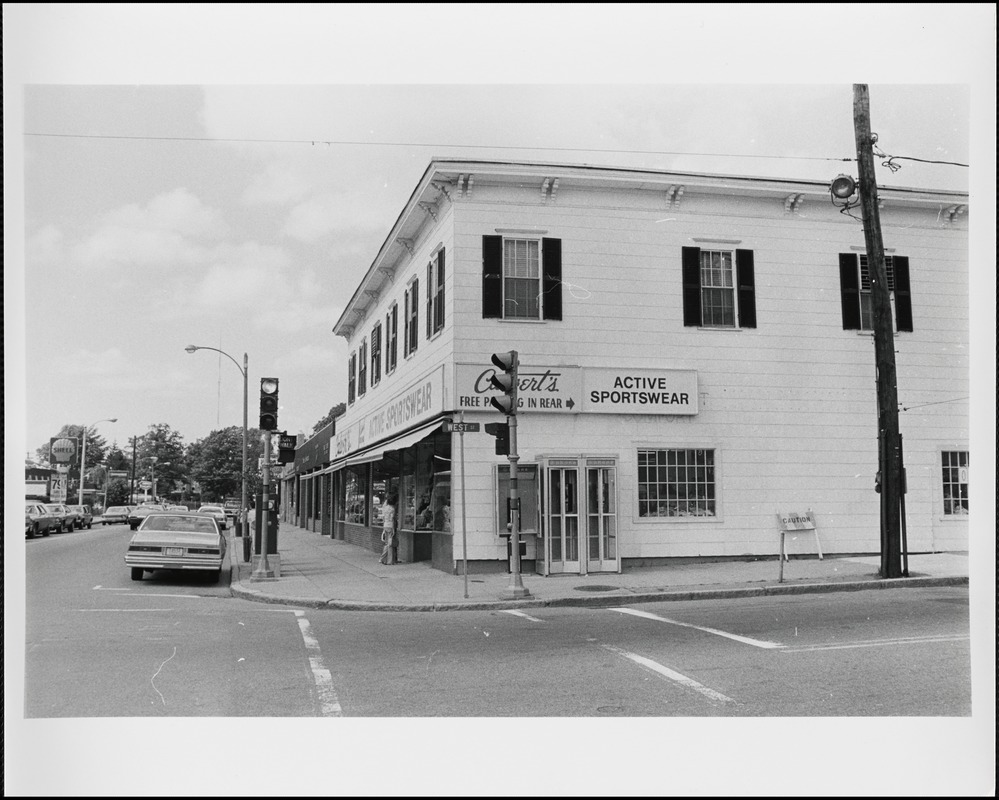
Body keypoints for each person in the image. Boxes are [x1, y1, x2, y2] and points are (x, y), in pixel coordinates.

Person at [379, 493, 398, 565]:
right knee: (390, 544)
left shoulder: (385, 508)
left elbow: (384, 517)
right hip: (390, 526)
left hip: (385, 525)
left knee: (387, 543)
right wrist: (393, 529)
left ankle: (383, 559)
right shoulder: (392, 509)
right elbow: (392, 519)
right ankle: (388, 560)